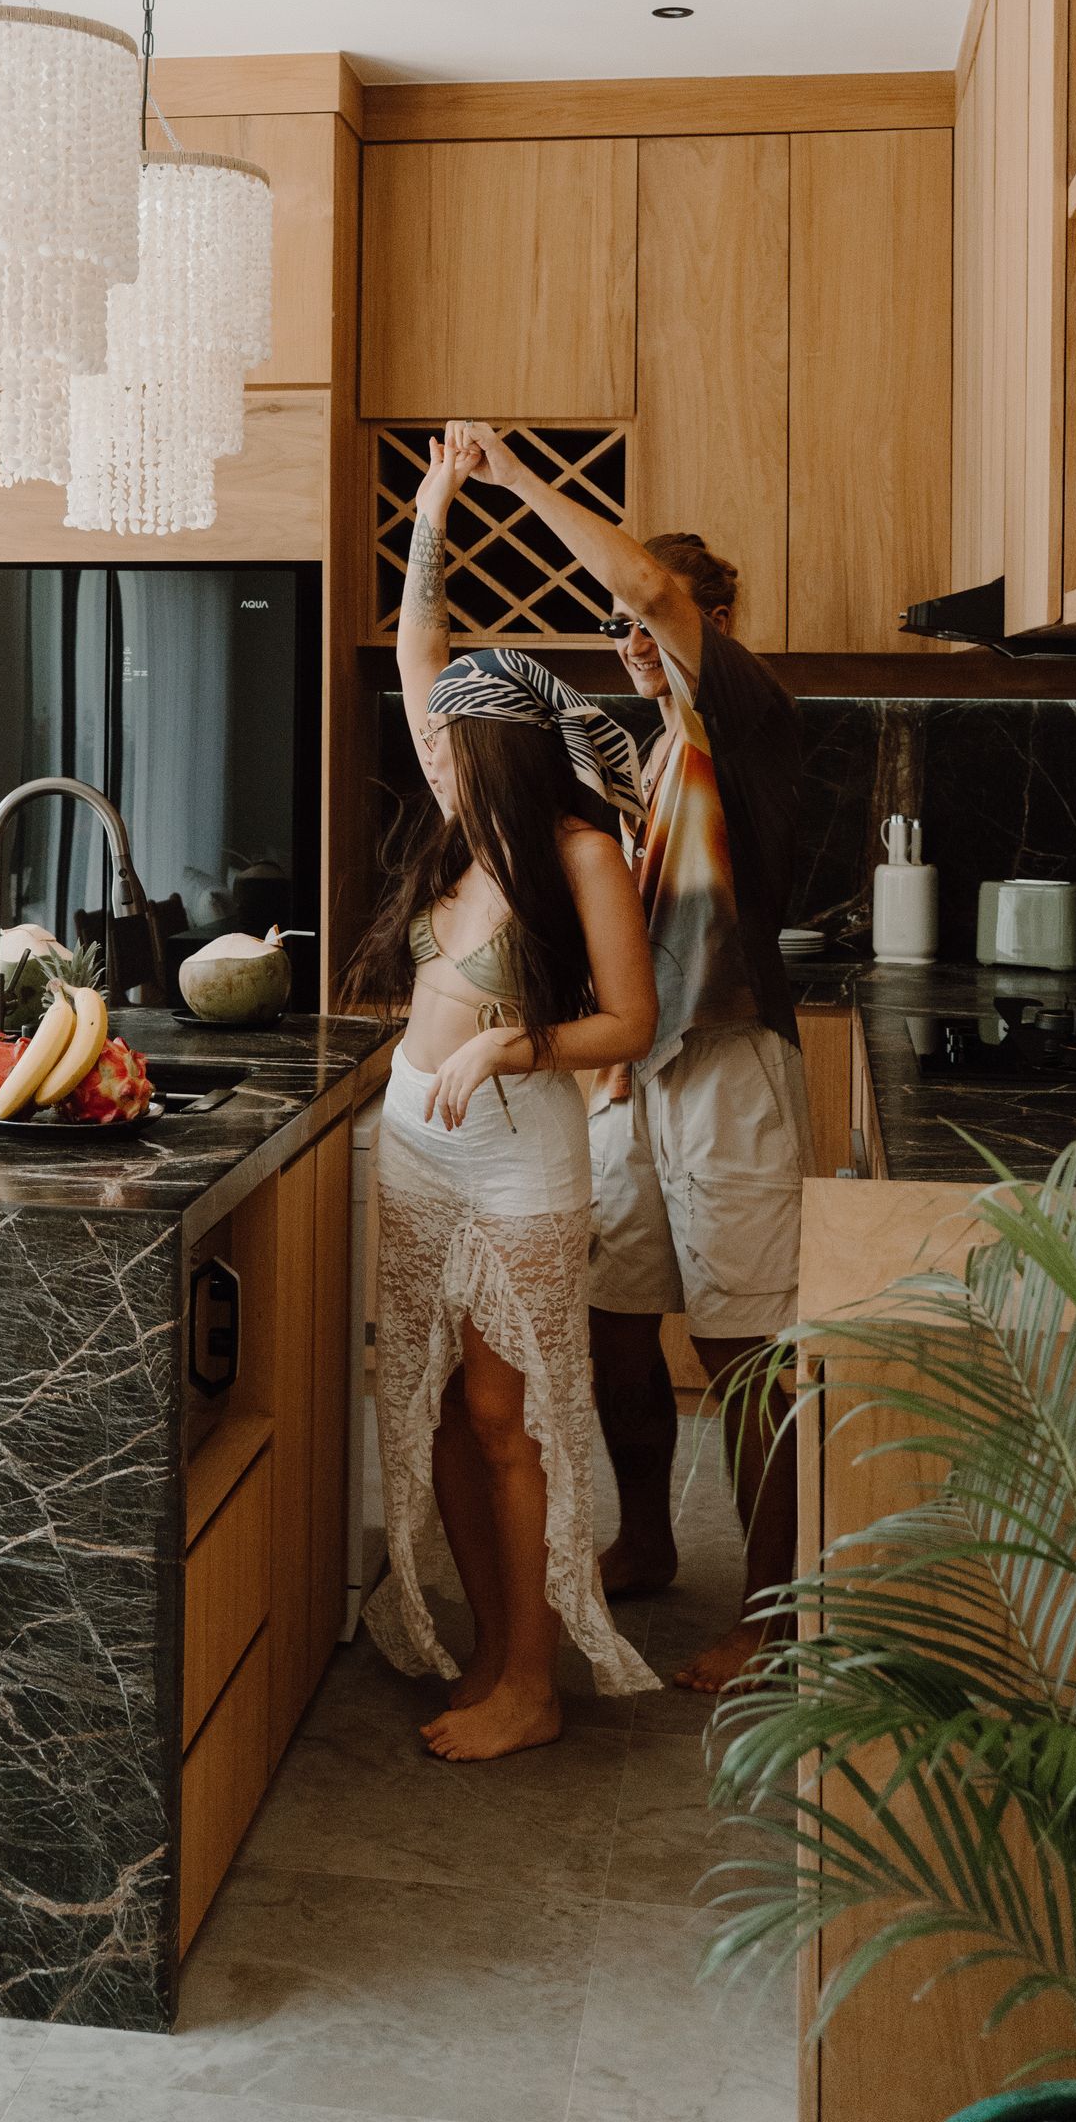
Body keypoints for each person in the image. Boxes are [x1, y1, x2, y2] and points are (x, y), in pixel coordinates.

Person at [454, 423, 813, 1696]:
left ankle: (775, 1615)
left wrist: (512, 478)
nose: (630, 638)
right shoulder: (653, 752)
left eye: (647, 620)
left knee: (743, 1351)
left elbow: (651, 588)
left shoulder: (741, 714)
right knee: (616, 1327)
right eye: (614, 628)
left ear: (712, 622)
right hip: (636, 1074)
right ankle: (649, 1540)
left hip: (728, 1069)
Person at [347, 427, 661, 1761]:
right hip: (419, 1145)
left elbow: (631, 1021)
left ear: (512, 754)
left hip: (520, 1153)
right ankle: (491, 1646)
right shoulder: (465, 818)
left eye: (461, 742)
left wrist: (503, 1050)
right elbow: (420, 650)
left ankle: (534, 1680)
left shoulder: (580, 852)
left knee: (504, 1415)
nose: (441, 752)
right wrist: (431, 505)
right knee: (428, 1400)